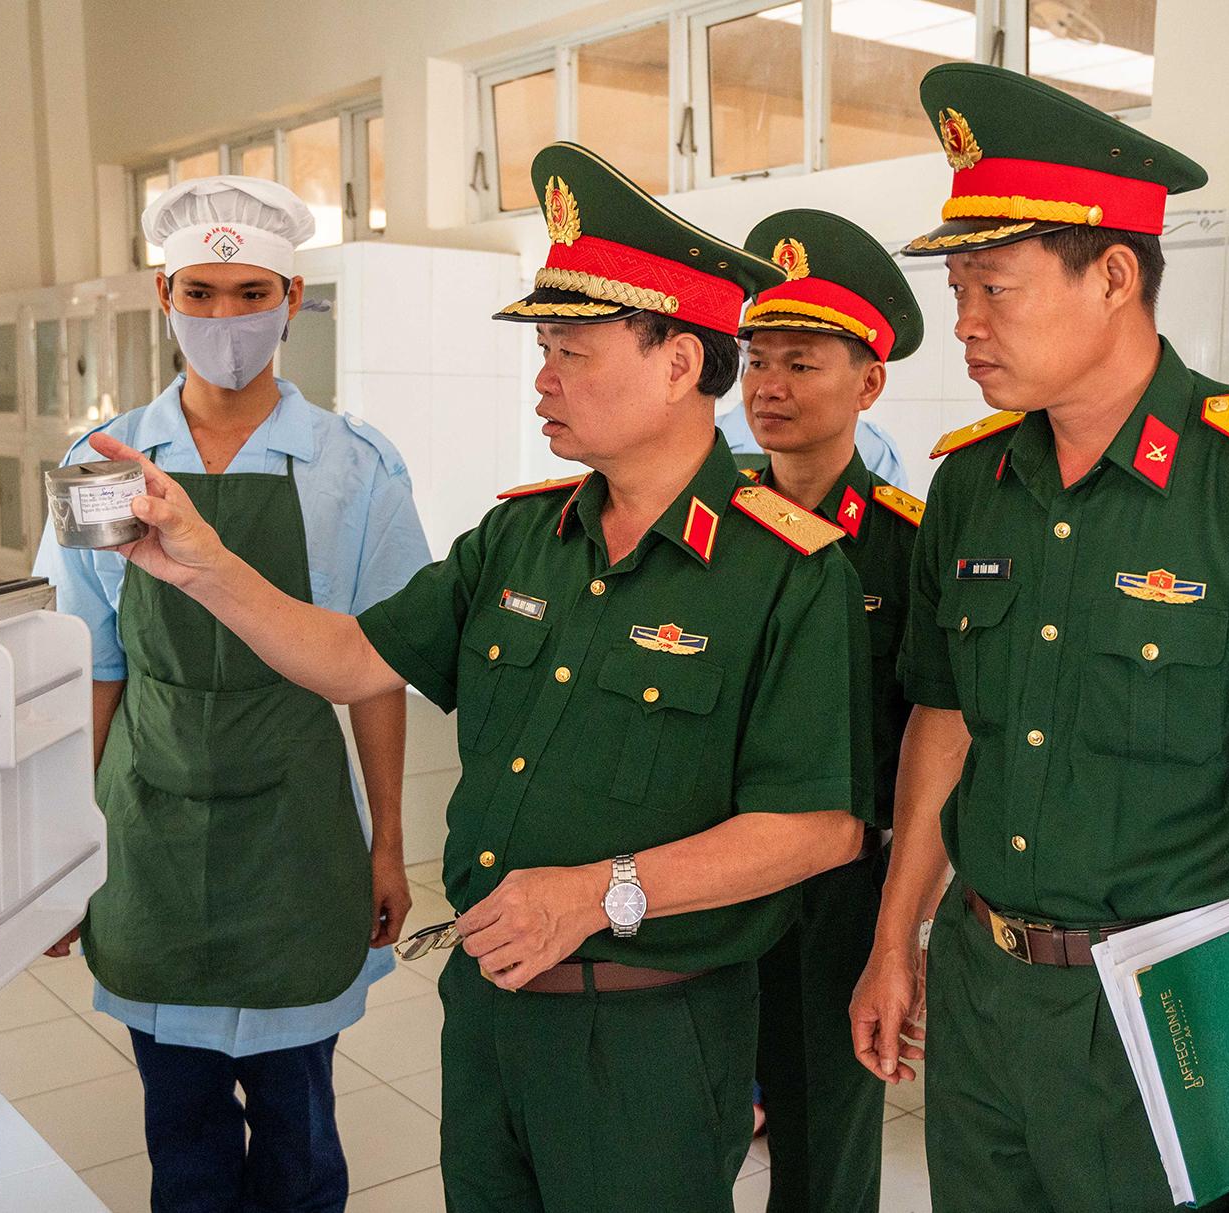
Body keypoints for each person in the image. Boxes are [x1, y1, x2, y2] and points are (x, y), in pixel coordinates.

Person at [86, 142, 875, 1213]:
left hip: (651, 1027)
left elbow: (818, 828)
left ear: (680, 362)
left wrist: (601, 891)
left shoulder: (785, 571)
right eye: (543, 349)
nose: (543, 379)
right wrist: (203, 566)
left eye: (571, 352)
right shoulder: (519, 539)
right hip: (492, 1010)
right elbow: (350, 657)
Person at [848, 63, 1229, 1213]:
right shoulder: (970, 486)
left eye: (993, 288)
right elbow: (943, 725)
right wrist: (894, 935)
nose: (963, 324)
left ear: (1112, 275)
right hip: (983, 994)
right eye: (956, 288)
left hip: (1172, 1014)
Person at [32, 175, 432, 1213]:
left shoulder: (353, 467)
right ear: (164, 296)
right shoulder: (105, 465)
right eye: (200, 294)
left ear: (292, 299)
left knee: (299, 1131)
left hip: (298, 826)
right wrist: (66, 851)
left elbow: (378, 670)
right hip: (149, 817)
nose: (226, 319)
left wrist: (388, 841)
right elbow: (92, 666)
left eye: (251, 293)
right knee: (183, 1130)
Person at [732, 208, 923, 1212]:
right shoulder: (713, 526)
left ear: (868, 383)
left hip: (839, 897)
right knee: (687, 1133)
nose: (768, 386)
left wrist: (901, 930)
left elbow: (933, 742)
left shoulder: (907, 547)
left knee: (821, 1161)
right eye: (757, 360)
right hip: (709, 874)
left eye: (800, 363)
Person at [717, 400, 910, 489]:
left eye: (800, 367)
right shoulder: (712, 438)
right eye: (758, 363)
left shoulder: (872, 446)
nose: (770, 388)